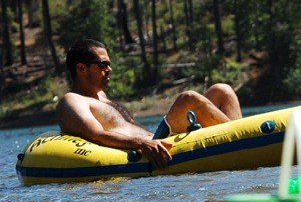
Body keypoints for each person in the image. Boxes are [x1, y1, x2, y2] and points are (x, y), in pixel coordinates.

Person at [56, 39, 242, 170]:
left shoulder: (100, 96)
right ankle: (243, 142)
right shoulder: (72, 101)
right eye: (102, 65)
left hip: (155, 139)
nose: (109, 69)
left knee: (222, 91)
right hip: (150, 150)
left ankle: (249, 144)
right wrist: (142, 143)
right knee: (188, 99)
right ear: (81, 68)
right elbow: (96, 135)